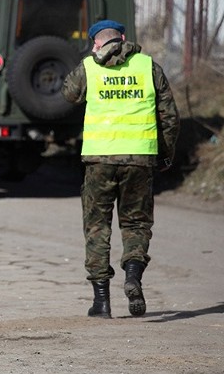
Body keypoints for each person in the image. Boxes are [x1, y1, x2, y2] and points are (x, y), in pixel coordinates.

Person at [61, 19, 180, 318]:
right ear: (124, 38)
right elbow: (169, 116)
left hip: (99, 160)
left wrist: (90, 60)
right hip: (140, 159)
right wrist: (165, 154)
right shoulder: (148, 67)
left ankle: (101, 302)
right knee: (136, 224)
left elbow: (68, 94)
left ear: (96, 43)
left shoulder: (89, 67)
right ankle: (133, 277)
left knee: (97, 227)